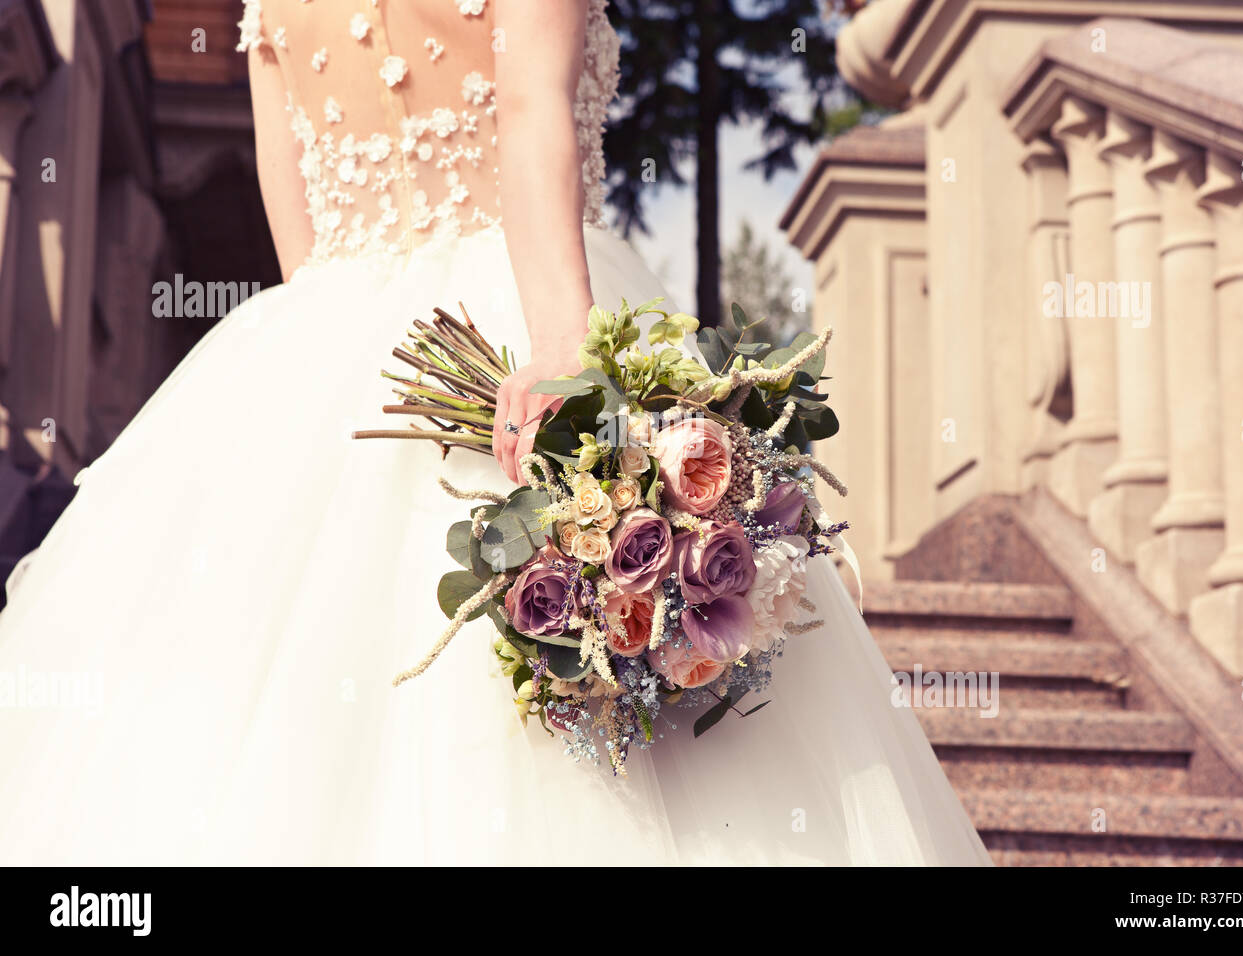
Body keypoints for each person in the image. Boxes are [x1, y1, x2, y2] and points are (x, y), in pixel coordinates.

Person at [0, 0, 990, 866]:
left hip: (318, 351)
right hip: (514, 309)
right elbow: (528, 116)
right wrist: (566, 353)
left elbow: (297, 234)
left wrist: (325, 367)